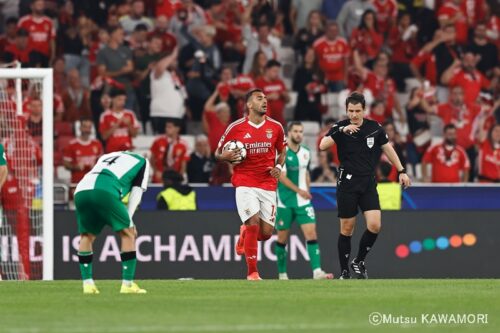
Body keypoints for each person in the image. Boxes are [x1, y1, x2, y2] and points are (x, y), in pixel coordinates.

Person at [319, 92, 411, 279]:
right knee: (347, 228)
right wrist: (340, 131)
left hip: (368, 182)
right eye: (350, 111)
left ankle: (358, 260)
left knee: (375, 225)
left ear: (364, 110)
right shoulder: (340, 127)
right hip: (347, 183)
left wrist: (401, 170)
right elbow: (322, 145)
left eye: (357, 111)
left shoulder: (374, 128)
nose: (354, 115)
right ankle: (345, 272)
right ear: (346, 110)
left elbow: (388, 148)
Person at [215, 88, 287, 280]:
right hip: (244, 182)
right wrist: (225, 156)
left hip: (268, 183)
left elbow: (283, 150)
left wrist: (278, 167)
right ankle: (252, 272)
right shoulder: (236, 127)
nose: (264, 101)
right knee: (253, 222)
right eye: (259, 98)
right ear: (249, 104)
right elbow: (217, 153)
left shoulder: (276, 127)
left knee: (265, 234)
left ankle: (244, 234)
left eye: (265, 98)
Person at [74, 151, 150, 294]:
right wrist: (130, 220)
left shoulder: (106, 155)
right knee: (128, 233)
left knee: (86, 236)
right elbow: (137, 191)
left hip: (81, 189)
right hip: (105, 189)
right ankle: (127, 285)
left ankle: (88, 285)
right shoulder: (142, 161)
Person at [275, 121, 333, 280]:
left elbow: (305, 173)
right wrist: (299, 190)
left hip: (302, 201)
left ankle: (317, 272)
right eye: (295, 131)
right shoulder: (282, 152)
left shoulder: (306, 152)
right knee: (282, 238)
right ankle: (282, 273)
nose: (299, 134)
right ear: (289, 133)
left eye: (301, 131)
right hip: (284, 201)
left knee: (311, 234)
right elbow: (281, 176)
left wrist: (307, 190)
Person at [99, 88, 140, 153]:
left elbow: (135, 135)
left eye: (124, 100)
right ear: (112, 99)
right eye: (119, 99)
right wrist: (117, 124)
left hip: (127, 151)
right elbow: (104, 137)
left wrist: (129, 124)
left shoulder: (130, 114)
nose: (122, 102)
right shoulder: (105, 115)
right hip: (112, 152)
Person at [63, 119, 104, 184]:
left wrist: (96, 166)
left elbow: (102, 163)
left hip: (93, 182)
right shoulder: (72, 145)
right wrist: (75, 167)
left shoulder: (97, 144)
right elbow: (66, 164)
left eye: (89, 127)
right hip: (77, 182)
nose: (87, 130)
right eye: (85, 127)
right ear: (80, 128)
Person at [150, 119, 190, 183]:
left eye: (170, 127)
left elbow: (183, 164)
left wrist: (179, 177)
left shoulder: (183, 144)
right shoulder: (158, 141)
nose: (167, 129)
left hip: (175, 179)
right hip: (159, 178)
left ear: (177, 129)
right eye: (166, 127)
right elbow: (152, 159)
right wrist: (156, 171)